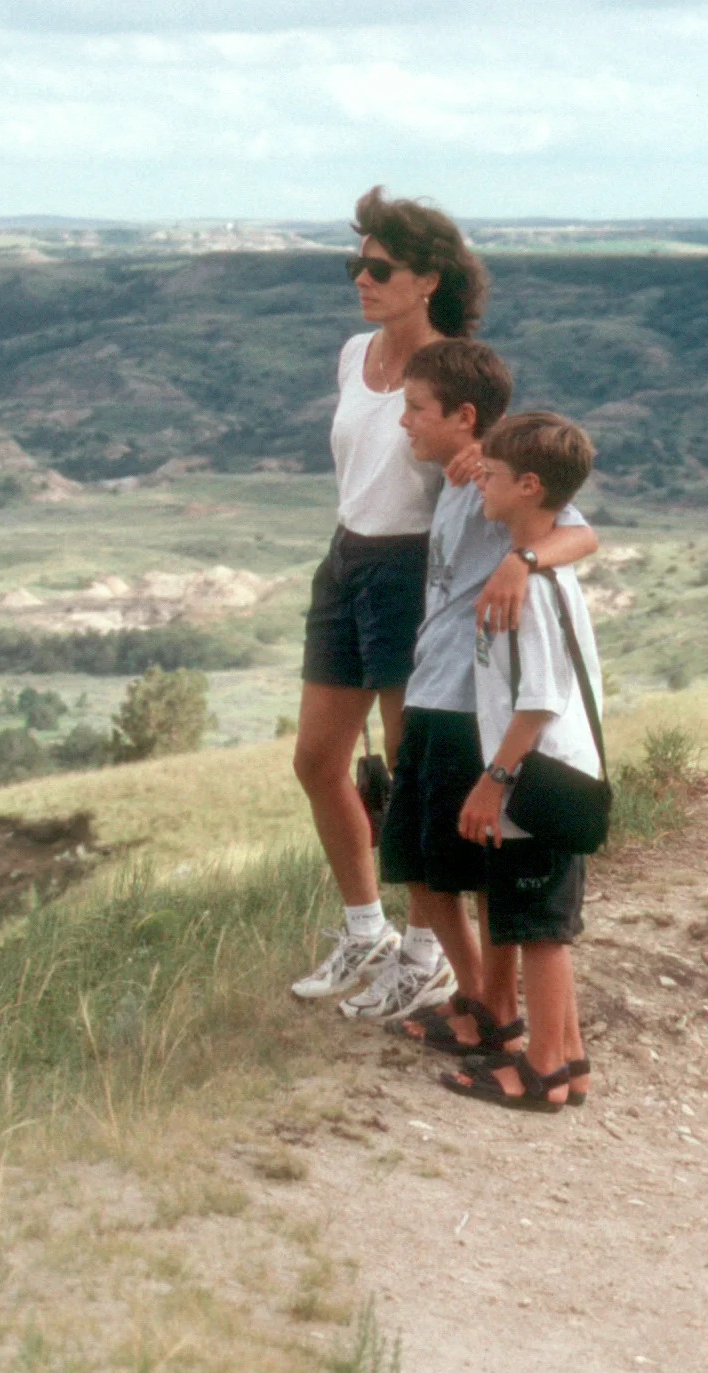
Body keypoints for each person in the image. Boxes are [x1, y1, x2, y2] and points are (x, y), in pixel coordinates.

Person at [347, 341, 599, 1027]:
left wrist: (520, 562)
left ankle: (496, 1009)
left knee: (476, 867)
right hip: (430, 691)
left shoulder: (498, 481)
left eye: (415, 408)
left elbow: (581, 535)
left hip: (468, 704)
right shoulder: (460, 479)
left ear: (463, 416)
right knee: (417, 861)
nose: (404, 421)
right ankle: (479, 993)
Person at [291, 188, 491, 1001]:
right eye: (356, 264)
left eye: (379, 268)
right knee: (316, 760)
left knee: (412, 776)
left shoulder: (452, 371)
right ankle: (364, 929)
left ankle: (424, 951)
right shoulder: (354, 354)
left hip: (412, 569)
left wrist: (481, 464)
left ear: (428, 279)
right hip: (346, 557)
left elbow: (493, 463)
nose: (361, 279)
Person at [442, 412, 603, 1111]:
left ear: (529, 485)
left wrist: (492, 781)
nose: (481, 482)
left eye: (494, 474)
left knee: (539, 932)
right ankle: (569, 1060)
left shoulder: (531, 589)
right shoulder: (545, 574)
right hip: (556, 776)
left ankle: (539, 1072)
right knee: (545, 924)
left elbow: (537, 700)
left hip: (535, 779)